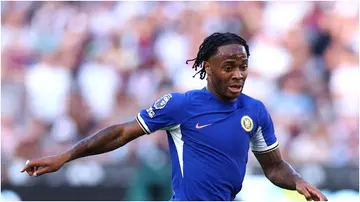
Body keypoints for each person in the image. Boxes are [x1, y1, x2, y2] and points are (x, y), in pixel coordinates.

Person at [21, 32, 328, 201]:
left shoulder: (255, 111)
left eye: (243, 67)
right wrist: (65, 156)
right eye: (229, 67)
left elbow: (274, 167)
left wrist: (298, 181)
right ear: (207, 67)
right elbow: (121, 133)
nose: (238, 75)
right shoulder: (180, 106)